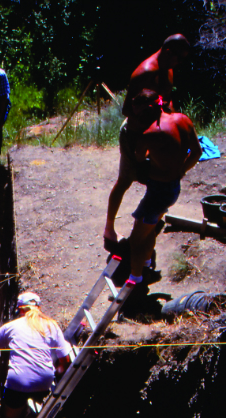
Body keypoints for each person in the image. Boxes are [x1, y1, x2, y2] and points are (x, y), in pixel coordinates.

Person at [104, 34, 190, 246]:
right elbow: (126, 109)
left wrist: (174, 125)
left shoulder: (167, 70)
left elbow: (167, 101)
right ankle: (109, 230)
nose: (179, 63)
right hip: (135, 135)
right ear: (169, 52)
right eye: (178, 58)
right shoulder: (144, 73)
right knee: (125, 181)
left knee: (158, 179)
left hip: (157, 136)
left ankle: (149, 222)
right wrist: (148, 129)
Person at [125, 94, 200, 290]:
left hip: (158, 191)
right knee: (148, 227)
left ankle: (136, 282)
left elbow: (140, 158)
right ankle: (147, 264)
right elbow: (197, 152)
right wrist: (181, 170)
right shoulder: (183, 120)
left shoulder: (149, 134)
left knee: (136, 240)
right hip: (172, 186)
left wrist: (148, 151)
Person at [0, 293, 71, 418]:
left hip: (18, 382)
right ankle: (27, 407)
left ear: (19, 309)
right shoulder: (52, 325)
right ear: (39, 308)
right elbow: (65, 357)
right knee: (32, 395)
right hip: (44, 382)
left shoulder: (12, 326)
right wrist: (59, 370)